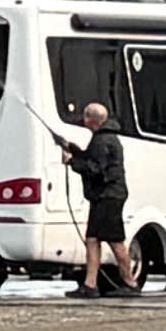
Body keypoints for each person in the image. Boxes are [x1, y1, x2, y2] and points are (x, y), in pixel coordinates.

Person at [67, 99, 137, 295]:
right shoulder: (107, 138)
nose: (82, 120)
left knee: (112, 241)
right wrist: (74, 150)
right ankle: (91, 284)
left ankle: (128, 284)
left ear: (91, 120)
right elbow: (94, 160)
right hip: (110, 196)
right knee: (95, 239)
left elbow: (95, 169)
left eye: (85, 117)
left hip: (107, 196)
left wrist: (72, 162)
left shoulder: (102, 141)